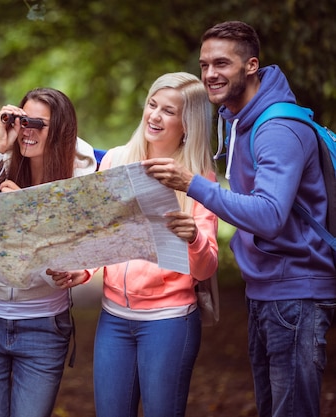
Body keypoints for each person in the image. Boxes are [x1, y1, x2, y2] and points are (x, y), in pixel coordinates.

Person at [143, 21, 336, 417]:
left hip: (296, 291)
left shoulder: (277, 127)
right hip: (266, 289)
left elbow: (268, 215)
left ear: (251, 65)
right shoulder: (238, 119)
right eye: (204, 65)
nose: (210, 74)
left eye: (222, 63)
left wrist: (191, 183)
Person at [50, 72, 219, 417]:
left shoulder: (199, 180)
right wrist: (84, 269)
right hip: (114, 319)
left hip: (169, 322)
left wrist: (194, 238)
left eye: (168, 111)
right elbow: (102, 234)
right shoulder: (114, 160)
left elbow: (206, 267)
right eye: (152, 105)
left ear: (188, 124)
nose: (154, 116)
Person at [0, 87, 97, 417]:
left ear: (60, 130)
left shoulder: (81, 174)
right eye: (23, 120)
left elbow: (76, 248)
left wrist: (26, 211)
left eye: (38, 124)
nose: (27, 130)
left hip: (43, 325)